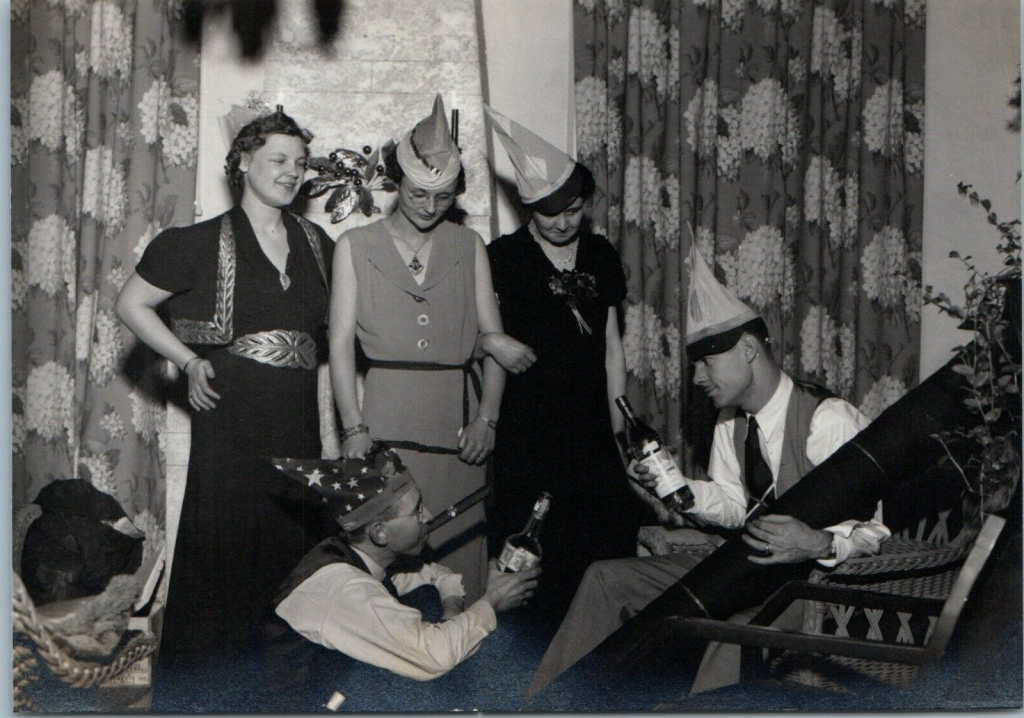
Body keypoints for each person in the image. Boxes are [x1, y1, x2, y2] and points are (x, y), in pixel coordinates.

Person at [527, 244, 890, 696]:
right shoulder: (729, 422)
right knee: (605, 578)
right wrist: (676, 488)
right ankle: (541, 704)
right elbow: (736, 506)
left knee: (735, 631)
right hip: (743, 568)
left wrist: (817, 542)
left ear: (750, 350)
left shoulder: (827, 420)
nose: (697, 377)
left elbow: (877, 533)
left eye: (707, 362)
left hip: (812, 587)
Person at [115, 107, 336, 673]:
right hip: (233, 416)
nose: (292, 172)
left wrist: (336, 438)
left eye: (301, 162)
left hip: (299, 423)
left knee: (298, 565)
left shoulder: (320, 244)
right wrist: (187, 361)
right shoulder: (193, 241)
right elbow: (130, 304)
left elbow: (330, 351)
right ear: (243, 163)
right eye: (279, 160)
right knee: (228, 557)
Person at [329, 95, 504, 602]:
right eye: (417, 194)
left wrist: (487, 420)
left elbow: (493, 342)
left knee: (460, 559)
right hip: (385, 423)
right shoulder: (355, 247)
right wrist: (354, 428)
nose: (430, 208)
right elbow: (339, 344)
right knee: (388, 559)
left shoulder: (469, 247)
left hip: (458, 428)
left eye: (444, 197)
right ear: (394, 183)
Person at [479, 106, 643, 612]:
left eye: (574, 211)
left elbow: (612, 346)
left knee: (602, 549)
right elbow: (471, 332)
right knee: (532, 555)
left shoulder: (600, 254)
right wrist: (490, 341)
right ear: (529, 208)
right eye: (551, 214)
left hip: (592, 430)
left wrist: (623, 431)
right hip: (528, 431)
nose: (564, 223)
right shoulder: (501, 259)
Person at [270, 446, 539, 680]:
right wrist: (491, 601)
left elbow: (439, 575)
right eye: (417, 511)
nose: (430, 515)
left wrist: (451, 614)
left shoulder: (359, 556)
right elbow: (435, 656)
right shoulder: (345, 589)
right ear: (380, 532)